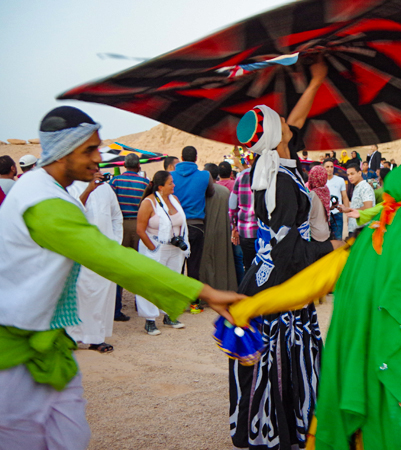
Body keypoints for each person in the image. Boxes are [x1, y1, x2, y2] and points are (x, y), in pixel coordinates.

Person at [0, 106, 241, 450]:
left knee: (71, 436)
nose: (98, 158)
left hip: (49, 345)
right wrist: (204, 292)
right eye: (89, 150)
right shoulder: (42, 202)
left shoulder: (46, 190)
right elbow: (111, 258)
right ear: (63, 152)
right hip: (15, 354)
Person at [226, 164, 401, 449]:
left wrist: (246, 308)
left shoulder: (358, 246)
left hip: (345, 372)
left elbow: (302, 287)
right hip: (390, 375)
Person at [229, 56, 342, 450]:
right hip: (280, 281)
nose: (290, 125)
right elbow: (287, 246)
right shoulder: (278, 179)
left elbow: (292, 122)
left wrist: (318, 79)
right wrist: (334, 247)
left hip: (269, 276)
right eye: (283, 125)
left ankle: (285, 419)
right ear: (278, 138)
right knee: (282, 352)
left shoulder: (276, 166)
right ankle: (281, 426)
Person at [65, 172, 123, 352]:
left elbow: (116, 217)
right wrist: (88, 190)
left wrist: (114, 243)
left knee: (102, 295)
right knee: (77, 295)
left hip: (104, 251)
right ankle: (72, 338)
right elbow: (71, 213)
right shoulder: (71, 186)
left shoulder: (107, 189)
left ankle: (96, 338)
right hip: (79, 251)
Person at [136, 171, 190, 335]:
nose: (174, 185)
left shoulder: (175, 200)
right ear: (160, 187)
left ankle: (169, 315)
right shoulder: (149, 203)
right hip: (156, 246)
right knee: (152, 283)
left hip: (174, 248)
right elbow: (140, 229)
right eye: (170, 183)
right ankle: (150, 320)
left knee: (172, 281)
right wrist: (152, 248)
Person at [171, 146, 214, 313]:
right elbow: (210, 193)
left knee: (176, 264)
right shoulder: (204, 175)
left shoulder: (171, 176)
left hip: (176, 225)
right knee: (194, 264)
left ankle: (176, 302)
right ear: (196, 158)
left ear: (181, 157)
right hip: (196, 225)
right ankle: (194, 303)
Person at [109, 153, 150, 321]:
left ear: (125, 165)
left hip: (121, 226)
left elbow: (111, 204)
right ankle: (140, 305)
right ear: (138, 166)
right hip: (140, 226)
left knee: (119, 267)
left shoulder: (115, 182)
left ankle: (116, 308)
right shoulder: (145, 183)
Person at [199, 163, 237, 292]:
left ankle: (206, 294)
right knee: (222, 261)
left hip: (206, 229)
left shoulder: (202, 191)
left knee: (205, 261)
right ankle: (223, 291)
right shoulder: (225, 192)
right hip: (223, 230)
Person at [229, 164, 257, 273]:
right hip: (266, 231)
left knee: (249, 267)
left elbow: (232, 206)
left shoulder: (242, 175)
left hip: (246, 231)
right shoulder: (271, 173)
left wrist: (234, 227)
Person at [342, 161, 375, 237]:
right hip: (355, 228)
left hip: (361, 230)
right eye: (348, 175)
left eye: (352, 174)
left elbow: (368, 207)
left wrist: (349, 210)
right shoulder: (357, 187)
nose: (350, 177)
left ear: (359, 173)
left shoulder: (365, 187)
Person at [324, 158, 348, 240]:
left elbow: (344, 196)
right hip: (324, 215)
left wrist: (347, 210)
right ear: (323, 168)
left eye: (331, 167)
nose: (330, 169)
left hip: (337, 213)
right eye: (327, 167)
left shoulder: (340, 180)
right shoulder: (321, 181)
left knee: (338, 238)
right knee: (325, 240)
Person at [307, 165, 331, 242]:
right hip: (326, 231)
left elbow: (308, 215)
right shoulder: (326, 190)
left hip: (315, 233)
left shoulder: (313, 194)